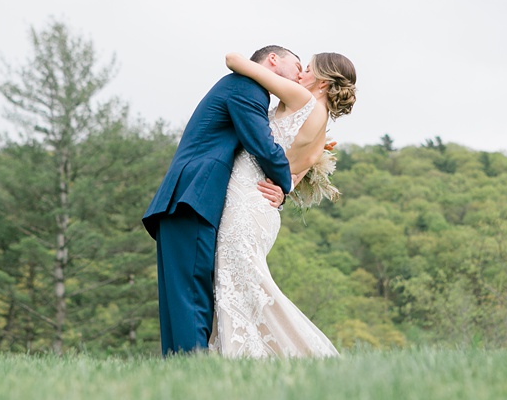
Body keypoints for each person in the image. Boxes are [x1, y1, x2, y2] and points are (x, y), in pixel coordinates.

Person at [142, 46, 301, 355]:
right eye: (296, 65)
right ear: (273, 61)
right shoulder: (247, 88)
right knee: (191, 293)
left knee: (181, 296)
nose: (299, 74)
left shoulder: (241, 87)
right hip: (192, 198)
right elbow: (263, 147)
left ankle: (181, 371)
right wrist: (287, 186)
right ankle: (195, 371)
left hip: (184, 199)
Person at [209, 51, 357, 357]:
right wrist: (282, 194)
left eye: (307, 69)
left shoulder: (301, 98)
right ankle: (239, 355)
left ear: (323, 83)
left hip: (247, 203)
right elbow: (288, 181)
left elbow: (234, 60)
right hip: (263, 207)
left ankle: (307, 354)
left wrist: (271, 65)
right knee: (241, 283)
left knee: (241, 283)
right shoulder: (321, 131)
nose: (300, 74)